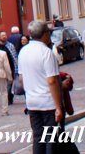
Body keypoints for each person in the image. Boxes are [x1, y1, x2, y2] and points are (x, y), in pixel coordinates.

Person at [18, 18, 64, 154]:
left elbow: (21, 78)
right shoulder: (46, 53)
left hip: (32, 102)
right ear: (44, 34)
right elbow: (52, 81)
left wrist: (31, 89)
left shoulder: (23, 52)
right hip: (47, 102)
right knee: (50, 137)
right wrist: (58, 107)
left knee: (38, 137)